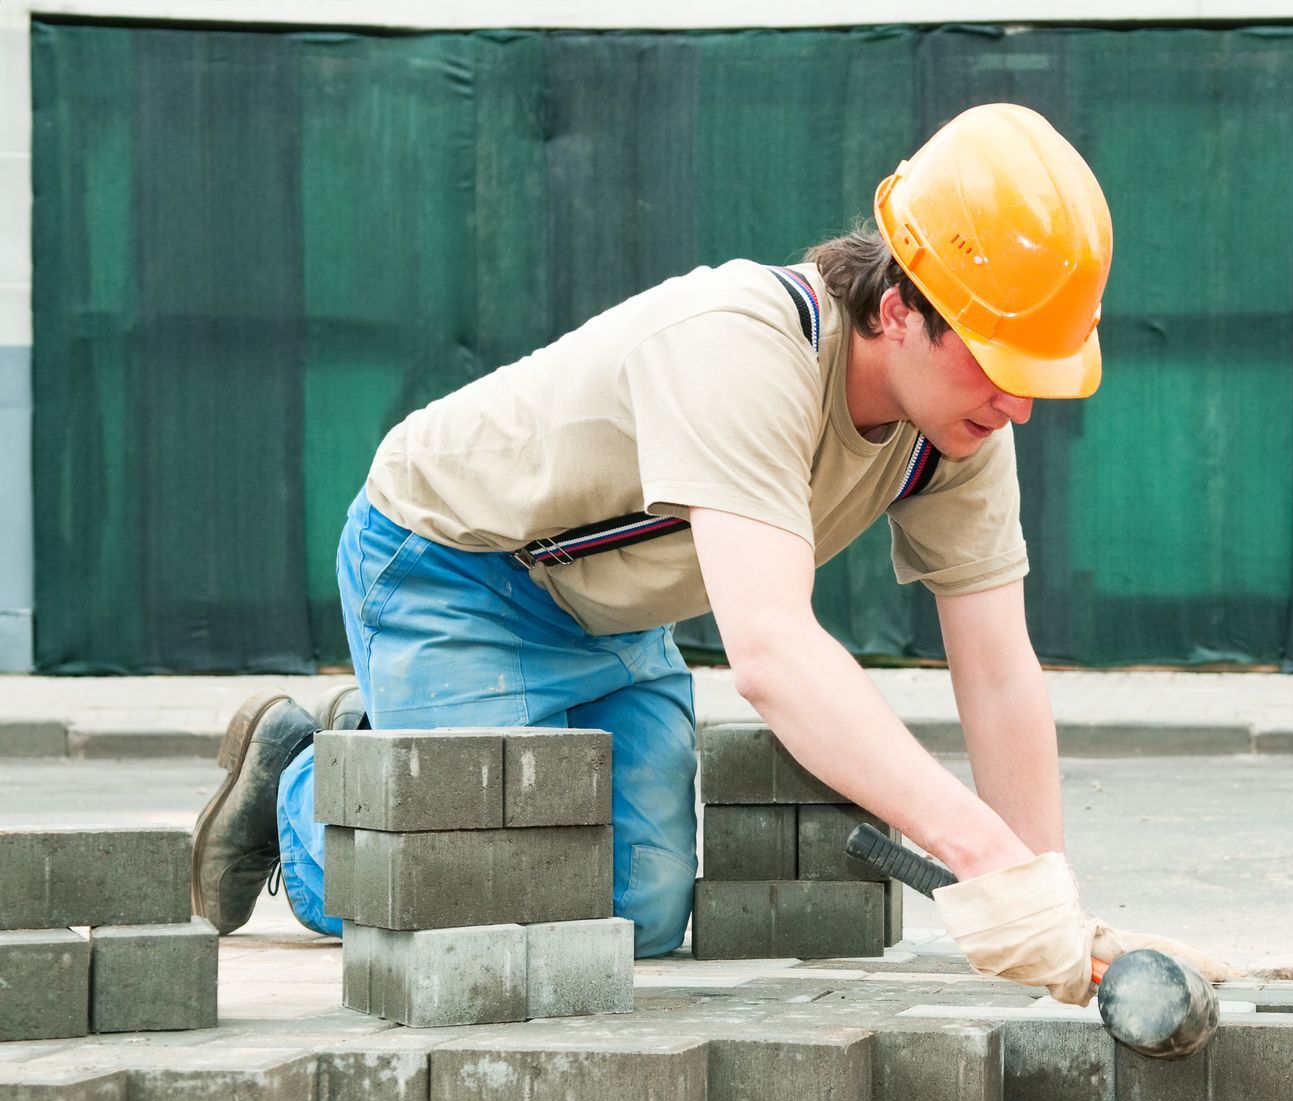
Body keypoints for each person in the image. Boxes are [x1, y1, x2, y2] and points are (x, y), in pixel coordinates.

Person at [190, 103, 1229, 1005]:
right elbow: (773, 656)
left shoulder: (963, 431)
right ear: (904, 309)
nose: (1020, 402)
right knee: (493, 901)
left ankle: (390, 733)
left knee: (633, 912)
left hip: (612, 610)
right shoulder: (746, 347)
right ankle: (306, 786)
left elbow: (998, 674)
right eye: (1002, 364)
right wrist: (984, 862)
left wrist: (1055, 920)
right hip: (452, 564)